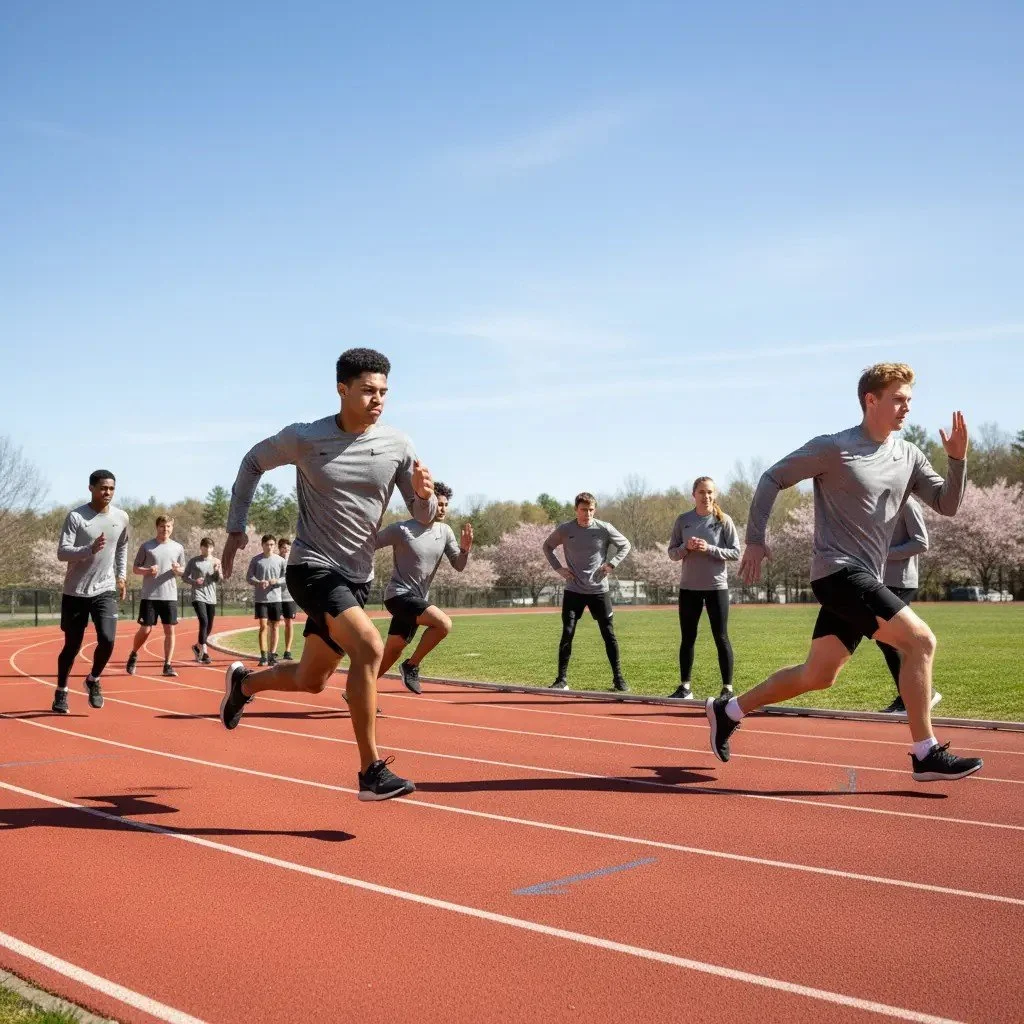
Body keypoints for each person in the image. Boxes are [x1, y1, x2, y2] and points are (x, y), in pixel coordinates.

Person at [706, 362, 982, 782]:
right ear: (871, 400)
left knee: (818, 675)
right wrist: (756, 539)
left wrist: (957, 460)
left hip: (866, 576)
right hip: (836, 572)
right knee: (921, 642)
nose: (906, 407)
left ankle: (728, 710)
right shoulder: (833, 448)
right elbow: (771, 478)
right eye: (898, 399)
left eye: (910, 400)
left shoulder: (908, 455)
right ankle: (925, 752)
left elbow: (947, 504)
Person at [218, 347, 436, 802]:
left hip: (356, 576)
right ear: (342, 390)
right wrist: (237, 528)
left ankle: (244, 683)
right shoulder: (305, 438)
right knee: (371, 647)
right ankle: (370, 772)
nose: (378, 400)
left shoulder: (398, 444)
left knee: (311, 680)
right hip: (311, 566)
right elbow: (252, 462)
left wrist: (424, 498)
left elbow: (422, 514)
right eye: (368, 391)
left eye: (384, 392)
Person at [373, 481, 473, 695]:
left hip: (416, 599)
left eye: (446, 505)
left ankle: (359, 689)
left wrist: (465, 551)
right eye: (439, 504)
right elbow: (369, 543)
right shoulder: (402, 529)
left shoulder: (445, 532)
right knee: (443, 624)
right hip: (398, 595)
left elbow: (459, 566)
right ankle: (411, 666)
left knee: (393, 651)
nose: (443, 508)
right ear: (427, 503)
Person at [51, 470, 130, 714]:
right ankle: (61, 692)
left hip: (104, 589)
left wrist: (121, 576)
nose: (107, 493)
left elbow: (122, 547)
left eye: (111, 489)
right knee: (72, 646)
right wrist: (89, 549)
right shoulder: (76, 517)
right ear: (91, 488)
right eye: (103, 488)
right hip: (76, 591)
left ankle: (93, 679)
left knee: (107, 640)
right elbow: (62, 552)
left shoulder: (122, 517)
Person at [543, 493, 631, 692]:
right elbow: (547, 546)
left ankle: (618, 679)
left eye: (591, 510)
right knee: (567, 632)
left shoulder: (604, 528)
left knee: (608, 634)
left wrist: (612, 564)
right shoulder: (566, 529)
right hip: (573, 589)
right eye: (583, 510)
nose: (587, 514)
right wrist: (559, 569)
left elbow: (625, 545)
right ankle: (561, 679)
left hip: (599, 590)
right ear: (576, 510)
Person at [667, 476, 740, 700]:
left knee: (721, 637)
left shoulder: (723, 520)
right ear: (694, 495)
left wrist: (709, 548)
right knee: (687, 637)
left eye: (709, 492)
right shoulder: (683, 520)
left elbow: (735, 553)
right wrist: (685, 548)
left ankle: (727, 689)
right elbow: (672, 553)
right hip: (689, 588)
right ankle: (685, 687)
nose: (706, 496)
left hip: (716, 587)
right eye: (701, 492)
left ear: (714, 495)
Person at [878, 496, 941, 714]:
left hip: (901, 581)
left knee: (891, 639)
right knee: (888, 640)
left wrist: (885, 554)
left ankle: (916, 696)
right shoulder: (881, 504)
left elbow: (921, 542)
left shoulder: (908, 504)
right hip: (881, 580)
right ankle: (913, 695)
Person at [126, 515, 186, 678]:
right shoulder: (147, 546)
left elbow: (183, 571)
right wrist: (147, 571)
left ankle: (167, 665)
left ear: (172, 528)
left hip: (170, 595)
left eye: (168, 526)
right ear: (157, 527)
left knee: (170, 630)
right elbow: (135, 569)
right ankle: (133, 653)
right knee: (146, 630)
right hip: (150, 595)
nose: (165, 529)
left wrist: (177, 570)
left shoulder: (178, 548)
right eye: (162, 526)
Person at [247, 534, 287, 666]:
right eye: (267, 544)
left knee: (275, 627)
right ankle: (263, 655)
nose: (269, 547)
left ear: (274, 546)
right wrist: (258, 582)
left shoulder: (280, 560)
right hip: (261, 599)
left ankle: (272, 654)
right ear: (262, 545)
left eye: (271, 545)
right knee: (263, 626)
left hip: (276, 598)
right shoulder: (256, 560)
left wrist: (277, 580)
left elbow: (286, 577)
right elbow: (249, 577)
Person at [183, 538, 221, 664]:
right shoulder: (194, 561)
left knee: (209, 625)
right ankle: (204, 652)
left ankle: (197, 646)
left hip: (211, 596)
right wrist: (194, 582)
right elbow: (184, 576)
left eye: (210, 547)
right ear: (201, 547)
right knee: (203, 621)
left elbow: (218, 579)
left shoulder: (216, 561)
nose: (207, 549)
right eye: (205, 547)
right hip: (198, 595)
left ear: (213, 548)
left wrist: (216, 571)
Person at [278, 537, 297, 660]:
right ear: (279, 548)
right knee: (273, 624)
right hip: (275, 596)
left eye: (288, 548)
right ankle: (272, 651)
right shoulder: (275, 560)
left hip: (289, 597)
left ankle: (287, 650)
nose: (286, 550)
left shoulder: (293, 561)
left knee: (289, 623)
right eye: (284, 548)